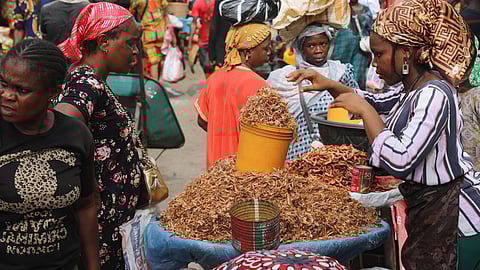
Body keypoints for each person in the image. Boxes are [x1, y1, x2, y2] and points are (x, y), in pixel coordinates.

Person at [287, 0, 480, 268]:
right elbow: (375, 100)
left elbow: (401, 159)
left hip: (454, 217)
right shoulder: (411, 88)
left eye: (378, 54)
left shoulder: (435, 94)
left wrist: (366, 113)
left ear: (405, 53)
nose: (374, 63)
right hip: (427, 207)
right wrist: (331, 85)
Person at [54, 3, 145, 269]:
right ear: (105, 42)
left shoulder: (93, 81)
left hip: (111, 219)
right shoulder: (86, 82)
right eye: (130, 43)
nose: (136, 51)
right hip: (100, 222)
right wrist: (88, 181)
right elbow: (66, 120)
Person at [0, 39, 99, 269]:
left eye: (21, 90)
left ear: (53, 93)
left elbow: (86, 205)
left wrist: (93, 266)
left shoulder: (75, 134)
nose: (7, 95)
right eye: (3, 84)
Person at [267, 24, 360, 160]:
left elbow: (358, 105)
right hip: (299, 152)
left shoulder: (341, 72)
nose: (318, 50)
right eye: (311, 46)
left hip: (335, 152)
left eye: (323, 44)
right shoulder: (285, 78)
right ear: (301, 49)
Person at [195, 23, 271, 168]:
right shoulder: (259, 85)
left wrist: (222, 132)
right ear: (248, 52)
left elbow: (202, 120)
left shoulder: (214, 78)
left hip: (215, 171)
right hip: (245, 172)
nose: (269, 53)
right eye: (265, 49)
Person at [332, 0, 373, 89]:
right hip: (342, 47)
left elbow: (370, 28)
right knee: (340, 73)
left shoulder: (366, 10)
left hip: (361, 49)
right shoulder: (340, 9)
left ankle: (357, 97)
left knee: (358, 75)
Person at [130, 0, 168, 80]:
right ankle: (157, 80)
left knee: (153, 60)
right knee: (159, 58)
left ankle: (155, 82)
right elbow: (165, 10)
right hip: (160, 31)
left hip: (149, 33)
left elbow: (131, 12)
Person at [191, 0, 215, 77]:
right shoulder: (198, 3)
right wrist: (190, 41)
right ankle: (210, 84)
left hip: (215, 40)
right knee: (205, 65)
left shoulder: (217, 2)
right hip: (203, 40)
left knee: (213, 66)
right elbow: (194, 23)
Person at [207, 0, 231, 68]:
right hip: (242, 49)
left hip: (222, 51)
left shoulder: (221, 2)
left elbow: (214, 26)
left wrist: (212, 54)